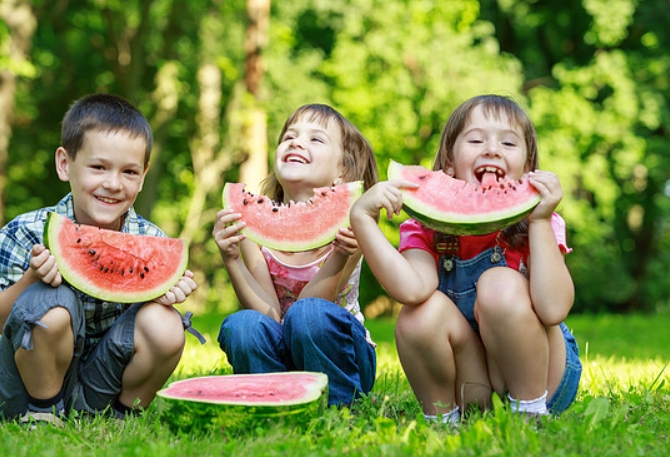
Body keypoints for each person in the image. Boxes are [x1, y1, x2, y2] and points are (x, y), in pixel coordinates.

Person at [350, 94, 582, 425]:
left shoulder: (537, 221)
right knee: (418, 315)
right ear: (448, 163)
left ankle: (530, 414)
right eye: (475, 139)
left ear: (529, 168)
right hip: (476, 385)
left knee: (499, 284)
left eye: (508, 142)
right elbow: (412, 290)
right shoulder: (423, 226)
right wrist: (361, 218)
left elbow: (553, 309)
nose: (491, 149)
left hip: (544, 379)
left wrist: (542, 222)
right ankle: (444, 421)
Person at [0, 93, 198, 427]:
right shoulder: (25, 231)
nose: (113, 184)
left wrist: (165, 294)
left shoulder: (150, 240)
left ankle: (119, 416)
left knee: (166, 323)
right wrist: (31, 280)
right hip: (22, 386)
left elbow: (154, 326)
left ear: (144, 174)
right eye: (98, 167)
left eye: (130, 172)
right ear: (65, 164)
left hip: (102, 388)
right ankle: (42, 413)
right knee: (51, 300)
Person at [213, 103, 379, 406]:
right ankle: (274, 403)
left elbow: (309, 310)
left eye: (316, 139)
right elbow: (269, 316)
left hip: (344, 357)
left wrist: (341, 255)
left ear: (342, 170)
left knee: (309, 314)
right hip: (281, 354)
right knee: (242, 325)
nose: (297, 142)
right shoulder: (251, 226)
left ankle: (341, 408)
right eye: (289, 136)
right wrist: (231, 258)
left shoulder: (351, 225)